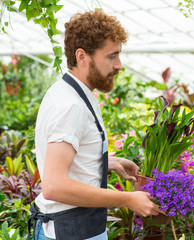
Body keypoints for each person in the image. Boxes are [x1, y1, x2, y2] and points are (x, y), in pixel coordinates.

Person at [29, 10, 159, 240]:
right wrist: (126, 199)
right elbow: (54, 185)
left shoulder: (71, 92)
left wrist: (107, 162)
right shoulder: (71, 106)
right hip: (71, 232)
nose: (119, 65)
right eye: (112, 56)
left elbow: (64, 162)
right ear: (82, 56)